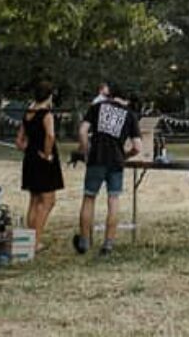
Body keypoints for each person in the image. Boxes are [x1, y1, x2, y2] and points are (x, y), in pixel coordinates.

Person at [75, 81, 140, 255]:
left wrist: (86, 150)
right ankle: (108, 244)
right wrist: (125, 155)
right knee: (113, 200)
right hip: (116, 162)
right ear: (126, 99)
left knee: (89, 198)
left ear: (110, 94)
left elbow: (82, 131)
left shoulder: (97, 107)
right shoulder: (130, 115)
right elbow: (138, 147)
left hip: (96, 158)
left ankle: (83, 241)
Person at [16, 77, 63, 252]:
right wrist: (47, 154)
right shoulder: (46, 114)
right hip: (44, 160)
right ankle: (35, 242)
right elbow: (50, 136)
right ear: (49, 96)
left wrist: (29, 149)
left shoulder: (28, 113)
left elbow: (19, 141)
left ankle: (29, 240)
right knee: (48, 201)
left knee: (34, 200)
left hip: (30, 159)